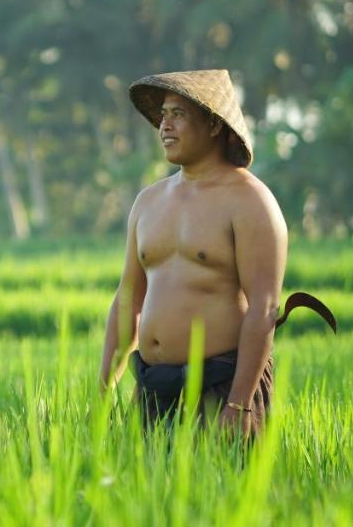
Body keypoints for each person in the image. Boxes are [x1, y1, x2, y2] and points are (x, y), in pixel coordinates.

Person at [97, 69, 285, 437]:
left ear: (214, 125)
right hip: (153, 390)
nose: (165, 126)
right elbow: (128, 300)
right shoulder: (148, 201)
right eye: (163, 115)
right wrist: (103, 393)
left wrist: (239, 402)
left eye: (178, 114)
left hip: (221, 389)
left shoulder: (250, 201)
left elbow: (264, 308)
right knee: (144, 494)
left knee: (219, 493)